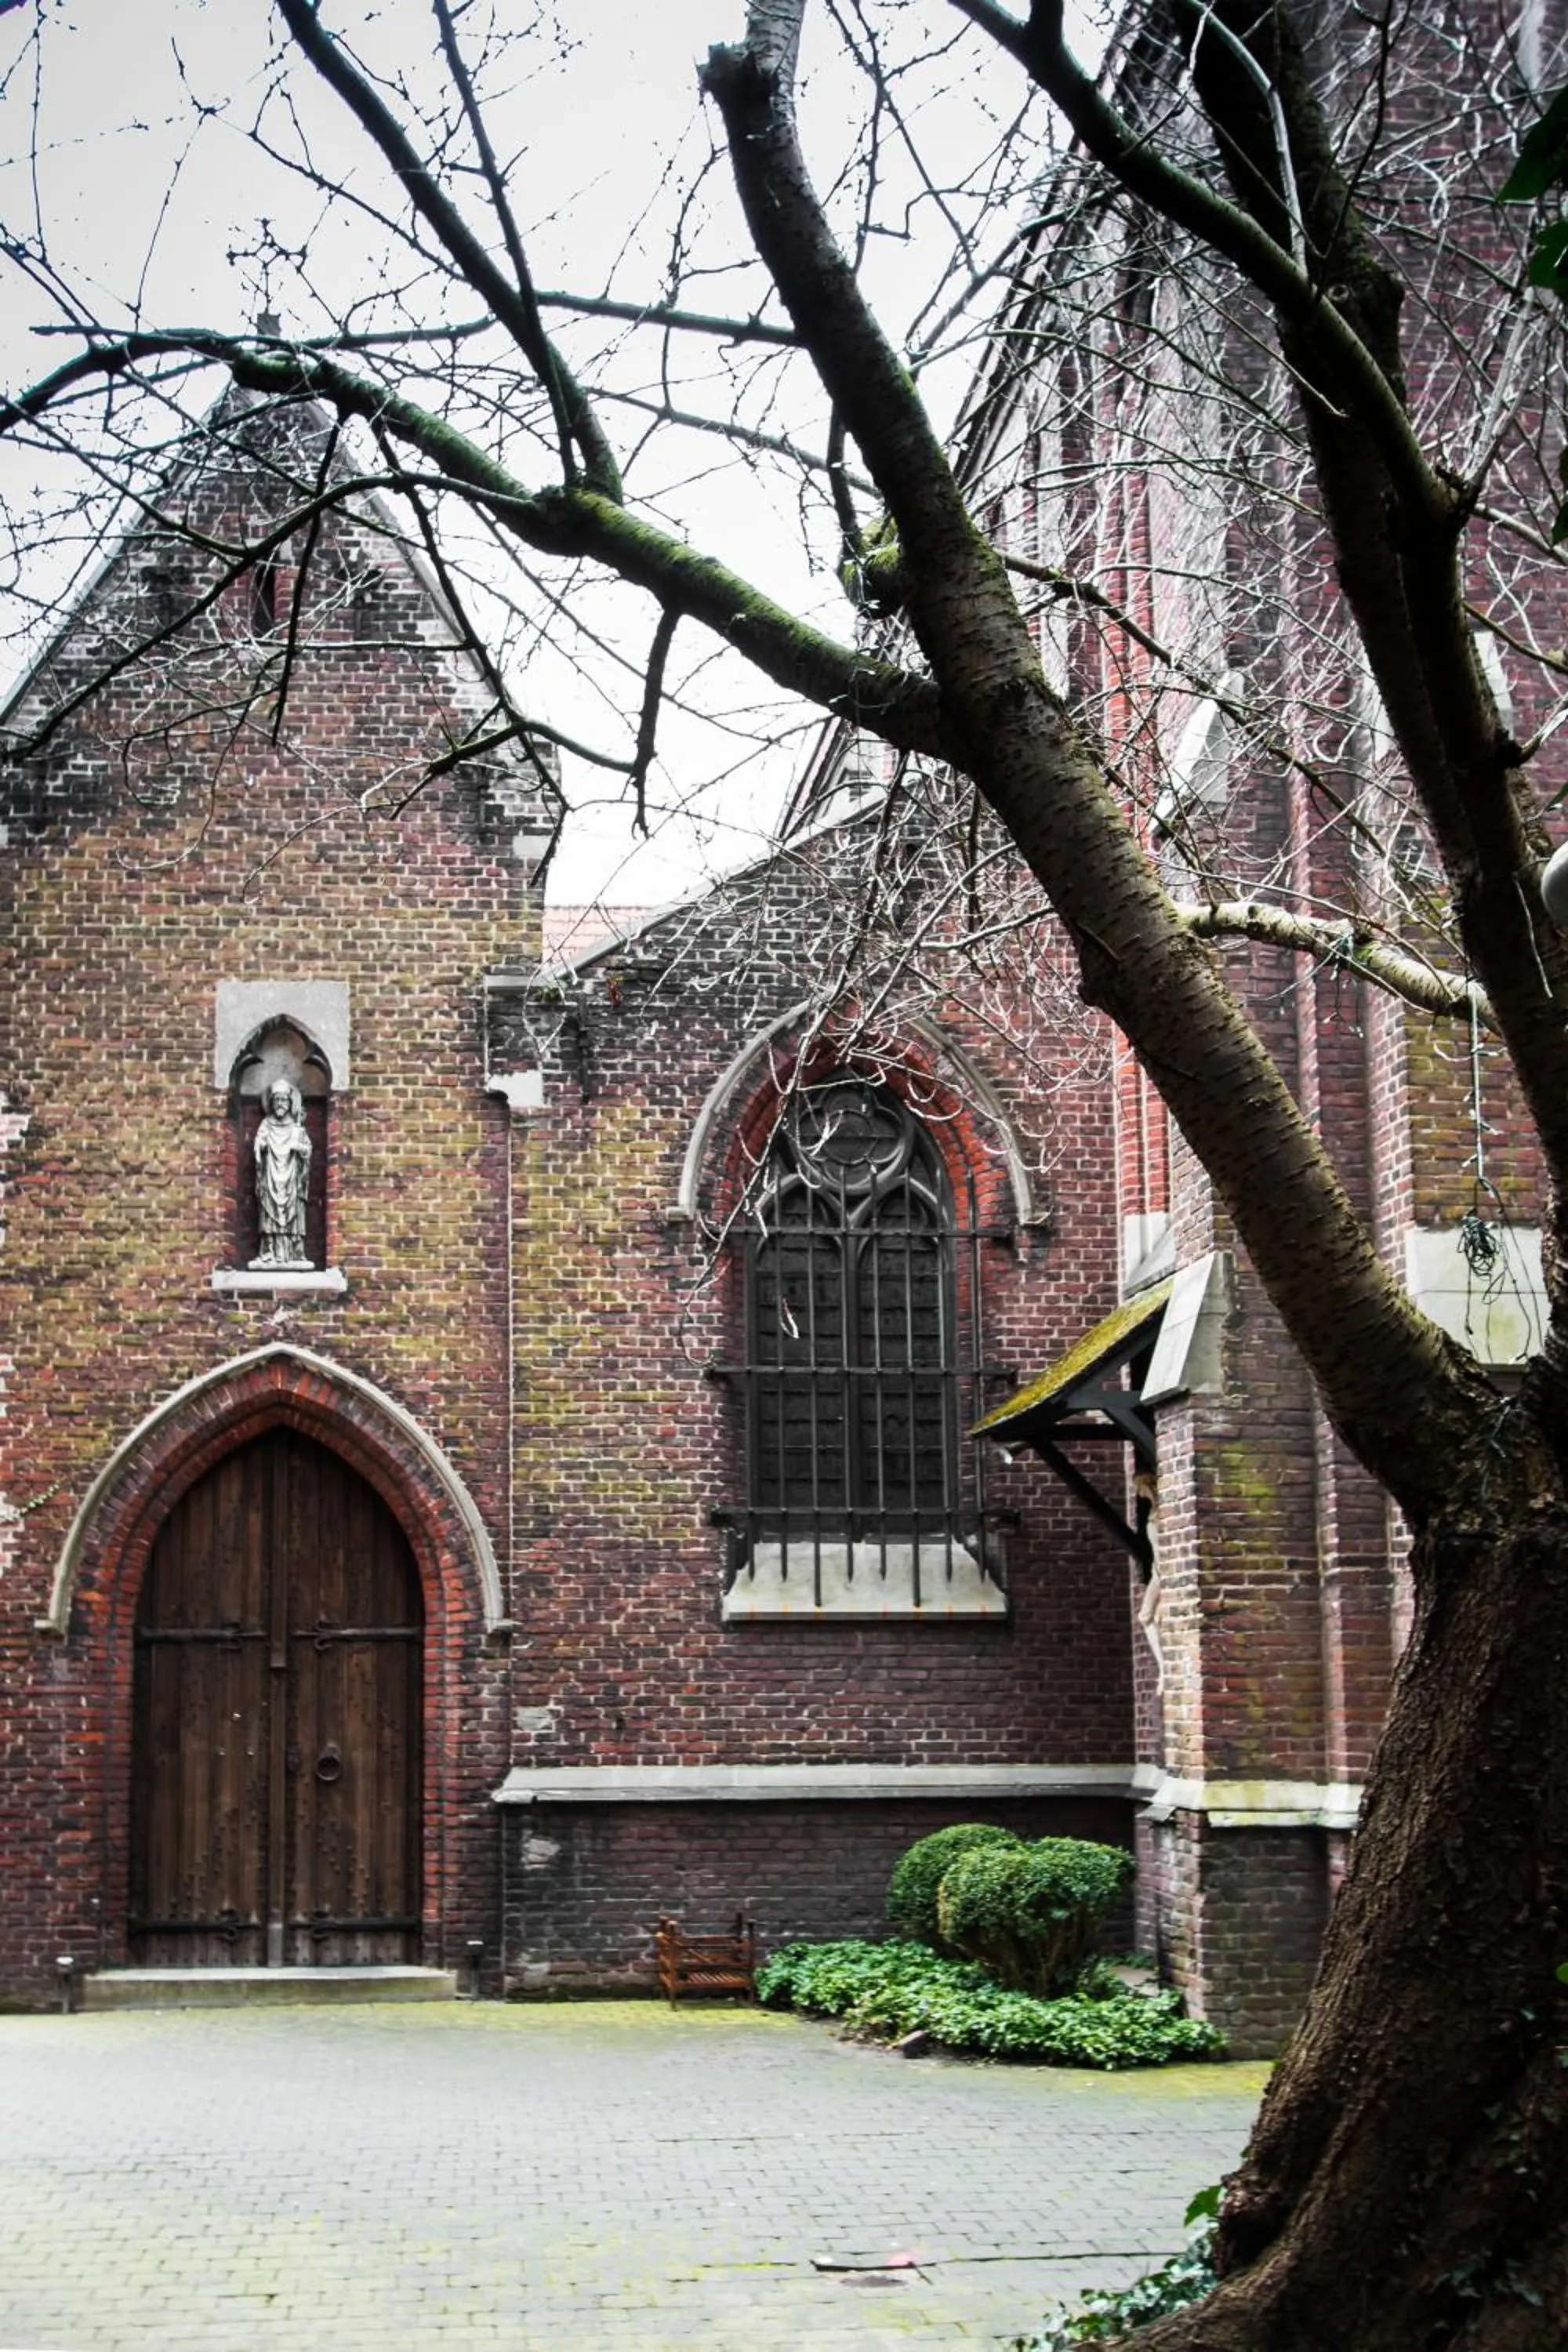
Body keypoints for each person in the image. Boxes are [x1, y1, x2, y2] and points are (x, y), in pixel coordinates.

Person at [252, 1079, 312, 1266]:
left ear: (290, 1102)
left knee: (294, 1211)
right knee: (269, 1211)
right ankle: (269, 1251)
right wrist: (260, 1147)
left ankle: (295, 1252)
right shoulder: (265, 1124)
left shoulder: (297, 1128)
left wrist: (300, 1149)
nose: (280, 1104)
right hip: (270, 1175)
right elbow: (258, 1144)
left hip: (292, 1179)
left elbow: (308, 1150)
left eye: (284, 1100)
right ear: (270, 1103)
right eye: (276, 1100)